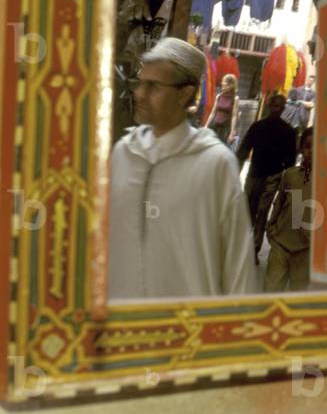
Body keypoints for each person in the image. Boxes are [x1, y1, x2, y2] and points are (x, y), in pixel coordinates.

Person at [108, 37, 260, 299]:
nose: (139, 94)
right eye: (139, 83)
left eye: (153, 86)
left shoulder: (215, 164)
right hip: (123, 326)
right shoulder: (124, 153)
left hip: (187, 331)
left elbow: (238, 265)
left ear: (185, 93)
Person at [236, 94, 297, 265]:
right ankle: (241, 248)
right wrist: (235, 174)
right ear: (269, 106)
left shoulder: (288, 132)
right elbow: (243, 150)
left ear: (284, 108)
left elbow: (290, 162)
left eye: (279, 106)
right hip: (254, 174)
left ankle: (254, 249)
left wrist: (286, 186)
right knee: (247, 211)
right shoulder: (258, 126)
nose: (276, 109)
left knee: (262, 213)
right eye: (274, 106)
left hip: (272, 177)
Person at [264, 128, 315, 292]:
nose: (311, 151)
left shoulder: (326, 180)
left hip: (305, 250)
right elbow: (278, 204)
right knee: (270, 293)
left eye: (316, 146)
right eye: (307, 146)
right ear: (301, 148)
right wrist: (271, 228)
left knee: (297, 300)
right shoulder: (290, 175)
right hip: (281, 244)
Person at [205, 73, 239, 145]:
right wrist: (206, 125)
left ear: (231, 85)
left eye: (225, 86)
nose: (223, 88)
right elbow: (213, 112)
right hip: (214, 125)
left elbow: (234, 116)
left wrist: (232, 132)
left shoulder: (235, 99)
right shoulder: (219, 96)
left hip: (225, 128)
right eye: (222, 85)